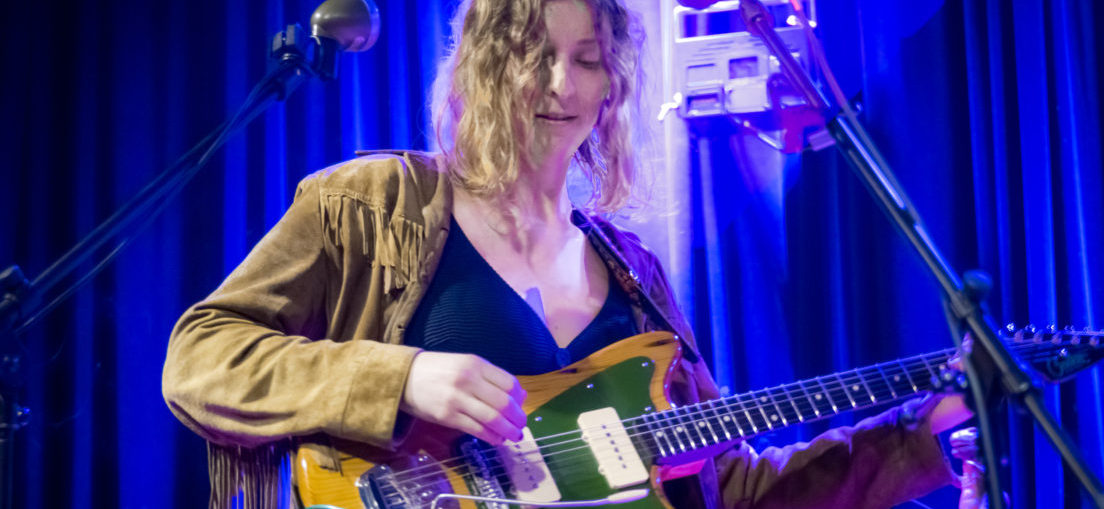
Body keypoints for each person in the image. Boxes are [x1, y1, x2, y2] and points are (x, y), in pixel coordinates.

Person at [162, 0, 972, 507]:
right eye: (533, 55)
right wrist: (401, 376)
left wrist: (917, 430)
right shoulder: (371, 205)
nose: (562, 85)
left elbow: (732, 487)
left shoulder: (635, 277)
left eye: (587, 60)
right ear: (484, 66)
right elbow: (200, 358)